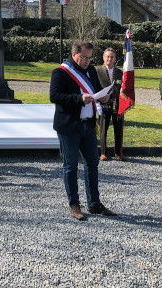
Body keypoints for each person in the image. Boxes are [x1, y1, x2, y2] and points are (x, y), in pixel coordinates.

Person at [50, 41, 117, 221]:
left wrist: (103, 98)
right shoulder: (60, 72)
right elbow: (54, 96)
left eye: (89, 57)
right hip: (69, 125)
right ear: (74, 55)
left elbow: (94, 92)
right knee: (70, 166)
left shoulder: (92, 71)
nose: (87, 61)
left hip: (87, 124)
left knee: (92, 164)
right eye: (84, 57)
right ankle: (74, 205)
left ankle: (94, 204)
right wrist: (79, 99)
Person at [96, 48, 125, 161]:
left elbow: (122, 87)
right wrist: (99, 100)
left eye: (112, 57)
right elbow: (95, 87)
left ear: (115, 59)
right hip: (103, 103)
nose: (110, 59)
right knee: (103, 129)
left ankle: (118, 152)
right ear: (103, 58)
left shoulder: (120, 72)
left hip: (117, 104)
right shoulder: (98, 71)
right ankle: (103, 152)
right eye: (108, 56)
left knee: (118, 129)